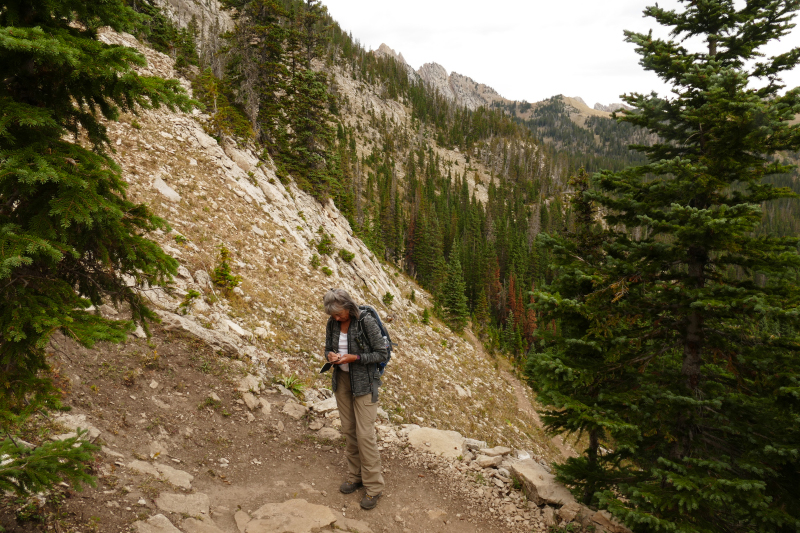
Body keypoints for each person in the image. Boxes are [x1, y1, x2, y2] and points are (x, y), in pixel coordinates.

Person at [322, 288, 388, 510]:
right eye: (333, 315)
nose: (336, 318)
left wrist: (355, 358)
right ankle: (355, 476)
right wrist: (331, 356)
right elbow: (327, 349)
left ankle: (374, 487)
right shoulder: (332, 323)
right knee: (349, 430)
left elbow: (382, 353)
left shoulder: (365, 322)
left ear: (349, 307)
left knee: (365, 434)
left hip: (365, 383)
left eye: (339, 314)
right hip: (342, 381)